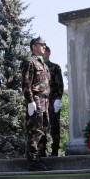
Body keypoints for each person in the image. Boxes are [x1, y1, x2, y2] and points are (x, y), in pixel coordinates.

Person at [21, 36, 51, 171]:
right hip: (36, 99)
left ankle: (40, 156)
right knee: (35, 129)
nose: (44, 46)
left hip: (45, 100)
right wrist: (30, 101)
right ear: (34, 47)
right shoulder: (30, 62)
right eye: (41, 44)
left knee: (44, 129)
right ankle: (33, 161)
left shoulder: (44, 64)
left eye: (45, 44)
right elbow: (26, 83)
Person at [42, 45, 64, 156]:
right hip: (41, 100)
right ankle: (42, 150)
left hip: (53, 100)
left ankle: (55, 150)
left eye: (45, 51)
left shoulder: (55, 67)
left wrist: (58, 99)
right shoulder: (38, 67)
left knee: (55, 125)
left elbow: (60, 84)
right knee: (42, 126)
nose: (43, 53)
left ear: (49, 53)